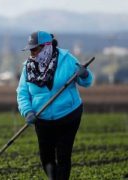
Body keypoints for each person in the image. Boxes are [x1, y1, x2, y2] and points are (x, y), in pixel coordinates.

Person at [16, 31, 93, 180]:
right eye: (30, 50)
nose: (32, 53)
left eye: (35, 49)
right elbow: (22, 93)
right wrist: (27, 111)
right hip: (42, 118)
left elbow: (86, 82)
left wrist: (84, 74)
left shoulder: (66, 59)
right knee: (46, 158)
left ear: (46, 46)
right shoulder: (28, 67)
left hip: (68, 115)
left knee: (63, 155)